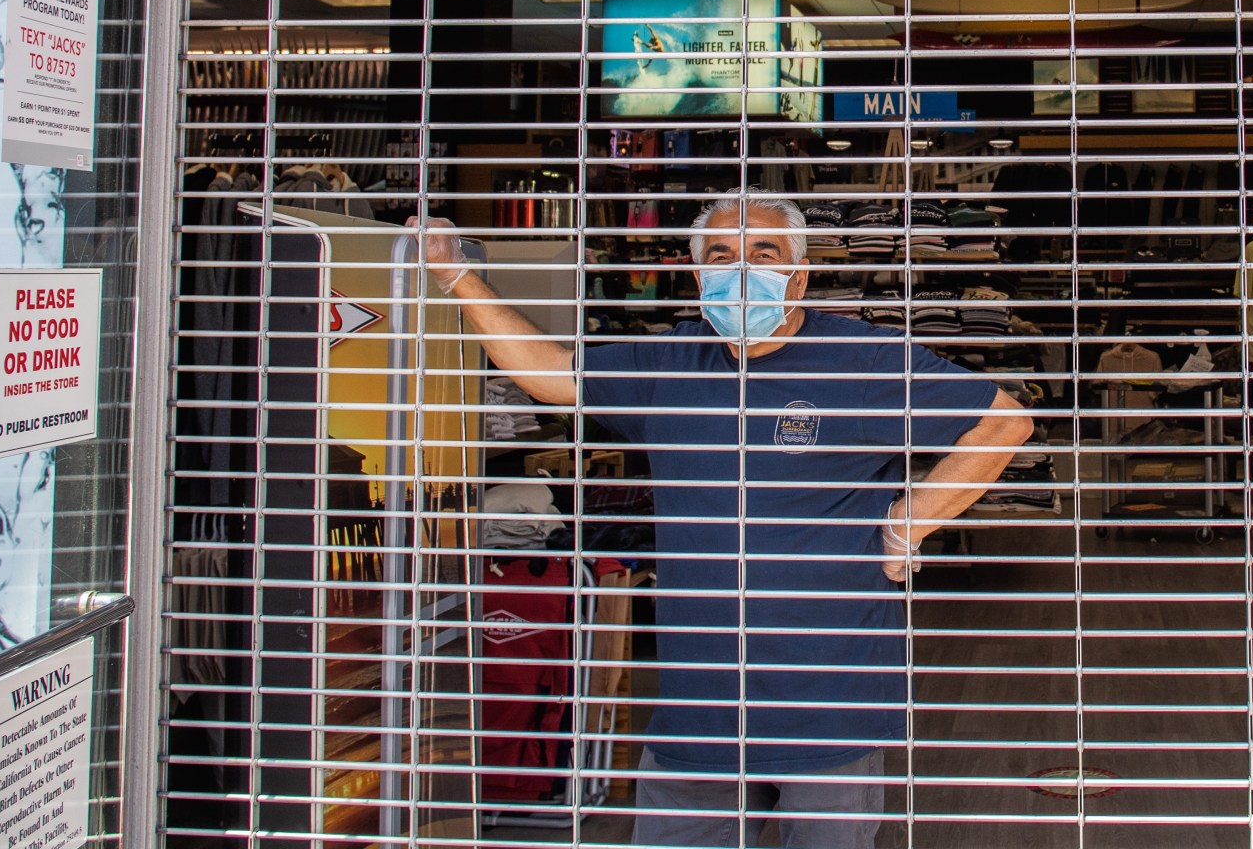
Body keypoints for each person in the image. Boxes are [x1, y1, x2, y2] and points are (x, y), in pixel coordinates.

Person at [410, 193, 1031, 848]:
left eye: (763, 254)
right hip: (697, 716)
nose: (740, 269)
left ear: (798, 274)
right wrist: (455, 274)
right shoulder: (671, 365)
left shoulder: (862, 360)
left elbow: (1003, 421)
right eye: (721, 256)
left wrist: (910, 522)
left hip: (829, 709)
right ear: (697, 273)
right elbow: (548, 375)